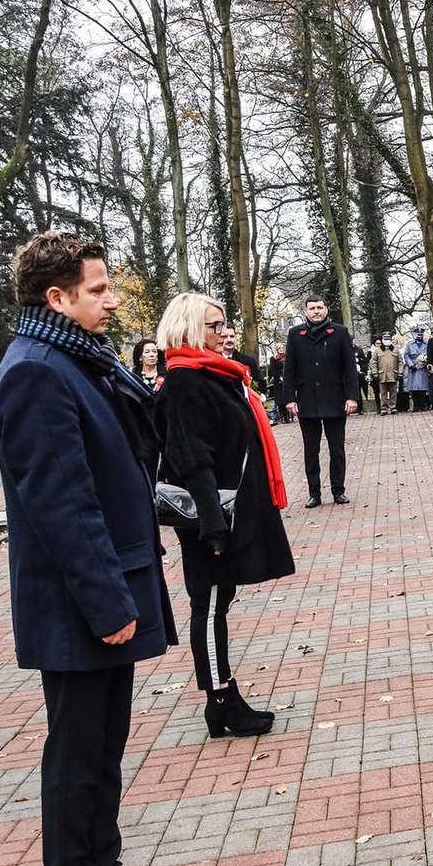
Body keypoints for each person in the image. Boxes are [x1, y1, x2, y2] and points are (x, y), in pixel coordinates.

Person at [0, 232, 182, 866]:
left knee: (103, 743)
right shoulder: (38, 370)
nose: (111, 300)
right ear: (57, 296)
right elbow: (60, 506)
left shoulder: (73, 361)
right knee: (78, 749)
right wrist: (107, 602)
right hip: (79, 602)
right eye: (98, 289)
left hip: (103, 587)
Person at [156, 293, 295, 738]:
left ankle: (224, 696)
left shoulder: (214, 375)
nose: (224, 333)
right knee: (210, 602)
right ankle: (220, 700)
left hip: (227, 510)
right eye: (215, 325)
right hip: (211, 516)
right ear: (192, 328)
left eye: (223, 324)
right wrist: (212, 523)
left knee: (219, 600)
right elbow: (191, 456)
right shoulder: (184, 381)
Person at [283, 294, 360, 507]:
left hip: (335, 400)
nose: (316, 311)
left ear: (326, 309)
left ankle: (338, 491)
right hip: (307, 401)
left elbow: (349, 369)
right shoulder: (296, 334)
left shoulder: (340, 332)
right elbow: (289, 369)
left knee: (337, 449)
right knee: (311, 450)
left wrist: (352, 397)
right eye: (312, 308)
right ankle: (314, 493)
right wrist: (289, 399)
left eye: (319, 307)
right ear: (305, 311)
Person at [220, 326, 265, 393]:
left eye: (232, 336)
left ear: (235, 338)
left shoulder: (248, 361)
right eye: (225, 337)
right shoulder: (212, 362)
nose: (229, 339)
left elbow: (261, 386)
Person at [403, 327, 431, 411]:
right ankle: (416, 406)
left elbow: (429, 354)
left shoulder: (426, 344)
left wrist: (425, 362)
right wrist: (411, 365)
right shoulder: (410, 344)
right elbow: (406, 355)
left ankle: (423, 405)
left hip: (422, 368)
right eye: (418, 334)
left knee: (423, 388)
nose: (420, 336)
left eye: (421, 335)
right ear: (415, 335)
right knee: (414, 388)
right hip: (413, 368)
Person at [373, 336, 402, 414]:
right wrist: (375, 372)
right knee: (383, 393)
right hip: (382, 374)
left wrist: (400, 372)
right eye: (385, 339)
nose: (387, 341)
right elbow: (373, 362)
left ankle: (393, 407)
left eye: (389, 339)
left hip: (393, 374)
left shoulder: (396, 350)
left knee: (393, 392)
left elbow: (400, 362)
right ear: (382, 340)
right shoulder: (378, 351)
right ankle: (383, 408)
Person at [267, 343, 288, 420]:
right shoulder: (273, 359)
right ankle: (282, 416)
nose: (281, 349)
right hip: (278, 380)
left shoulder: (287, 357)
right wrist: (279, 377)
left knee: (287, 398)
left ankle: (287, 416)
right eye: (279, 348)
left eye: (282, 348)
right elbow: (273, 370)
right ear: (277, 349)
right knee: (280, 400)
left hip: (287, 379)